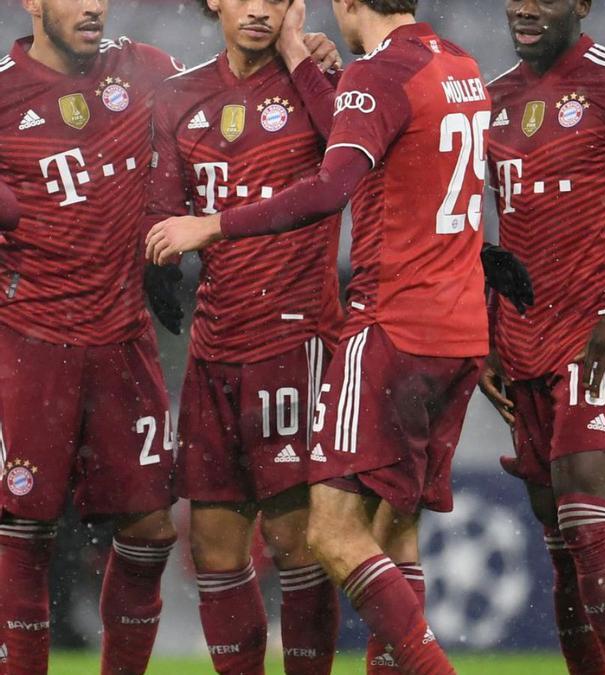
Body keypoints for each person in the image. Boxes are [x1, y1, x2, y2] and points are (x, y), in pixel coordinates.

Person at [144, 0, 529, 670]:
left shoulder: (361, 79)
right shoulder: (458, 65)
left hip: (353, 331)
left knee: (321, 534)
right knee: (375, 530)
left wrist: (213, 225)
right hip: (433, 328)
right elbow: (423, 169)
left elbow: (336, 184)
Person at [477, 1, 605, 673]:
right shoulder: (493, 100)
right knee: (560, 539)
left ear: (582, 3)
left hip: (598, 334)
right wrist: (485, 336)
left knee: (585, 514)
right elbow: (481, 232)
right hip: (522, 337)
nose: (526, 6)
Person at [143, 0, 344, 671]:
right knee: (215, 546)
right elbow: (165, 217)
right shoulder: (178, 98)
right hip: (214, 347)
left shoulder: (317, 82)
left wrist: (303, 55)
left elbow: (349, 168)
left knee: (296, 541)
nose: (259, 9)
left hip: (295, 339)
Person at [0, 0, 186, 671]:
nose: (94, 6)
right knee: (24, 528)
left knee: (150, 529)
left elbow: (228, 95)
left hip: (124, 342)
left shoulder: (146, 68)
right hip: (32, 345)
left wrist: (300, 51)